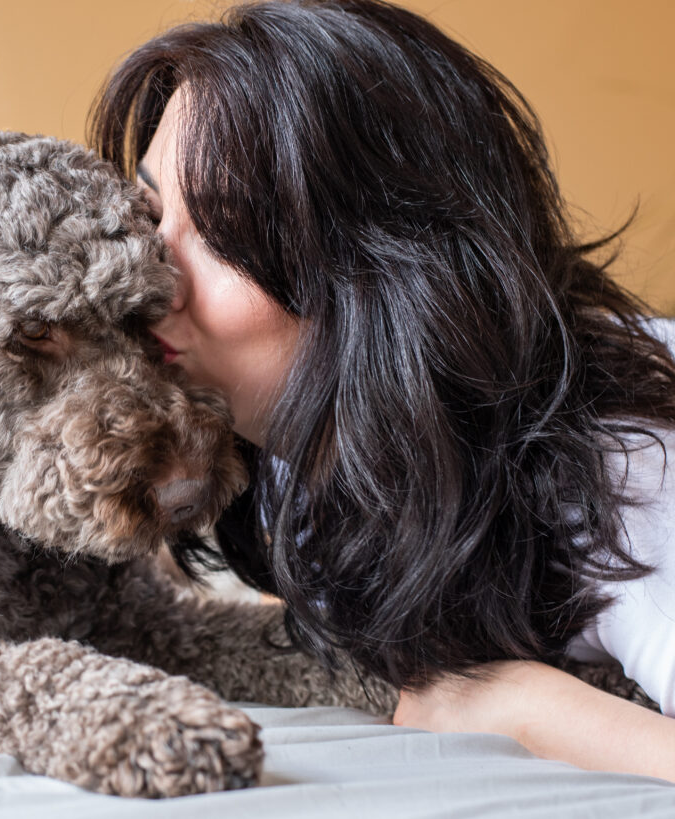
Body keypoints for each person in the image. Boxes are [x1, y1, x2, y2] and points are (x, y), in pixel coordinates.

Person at [88, 0, 675, 782]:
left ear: (386, 280)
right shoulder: (281, 442)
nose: (148, 280)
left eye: (226, 232)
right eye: (155, 213)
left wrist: (517, 706)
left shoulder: (632, 477)